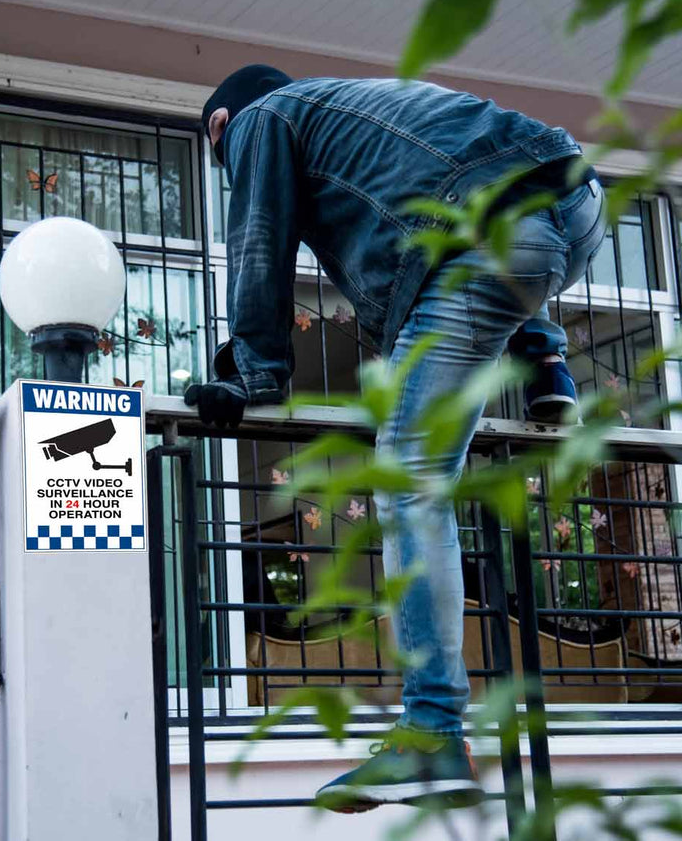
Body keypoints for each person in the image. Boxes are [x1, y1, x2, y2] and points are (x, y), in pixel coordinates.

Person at [183, 65, 607, 811]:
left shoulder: (260, 119)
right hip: (572, 210)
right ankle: (548, 367)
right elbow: (462, 217)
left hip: (491, 231)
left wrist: (253, 374)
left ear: (219, 124)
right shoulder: (354, 121)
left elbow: (259, 241)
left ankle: (432, 732)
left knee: (410, 480)